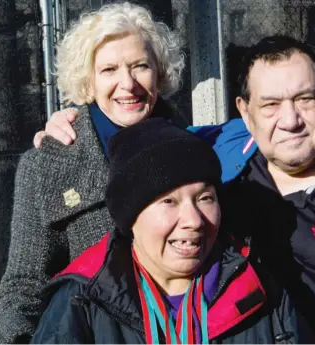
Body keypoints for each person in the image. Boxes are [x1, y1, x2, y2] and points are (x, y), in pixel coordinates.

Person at [38, 35, 315, 344]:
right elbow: (144, 155)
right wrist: (76, 129)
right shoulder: (217, 154)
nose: (291, 120)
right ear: (244, 111)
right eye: (271, 104)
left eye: (305, 99)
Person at [0, 2, 184, 343]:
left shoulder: (196, 151)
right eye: (109, 70)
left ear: (160, 71)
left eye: (140, 66)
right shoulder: (45, 165)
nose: (128, 84)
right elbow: (23, 286)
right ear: (88, 80)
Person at [30, 118, 296, 344]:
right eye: (168, 201)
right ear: (130, 217)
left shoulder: (260, 288)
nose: (193, 220)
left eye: (205, 198)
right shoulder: (81, 301)